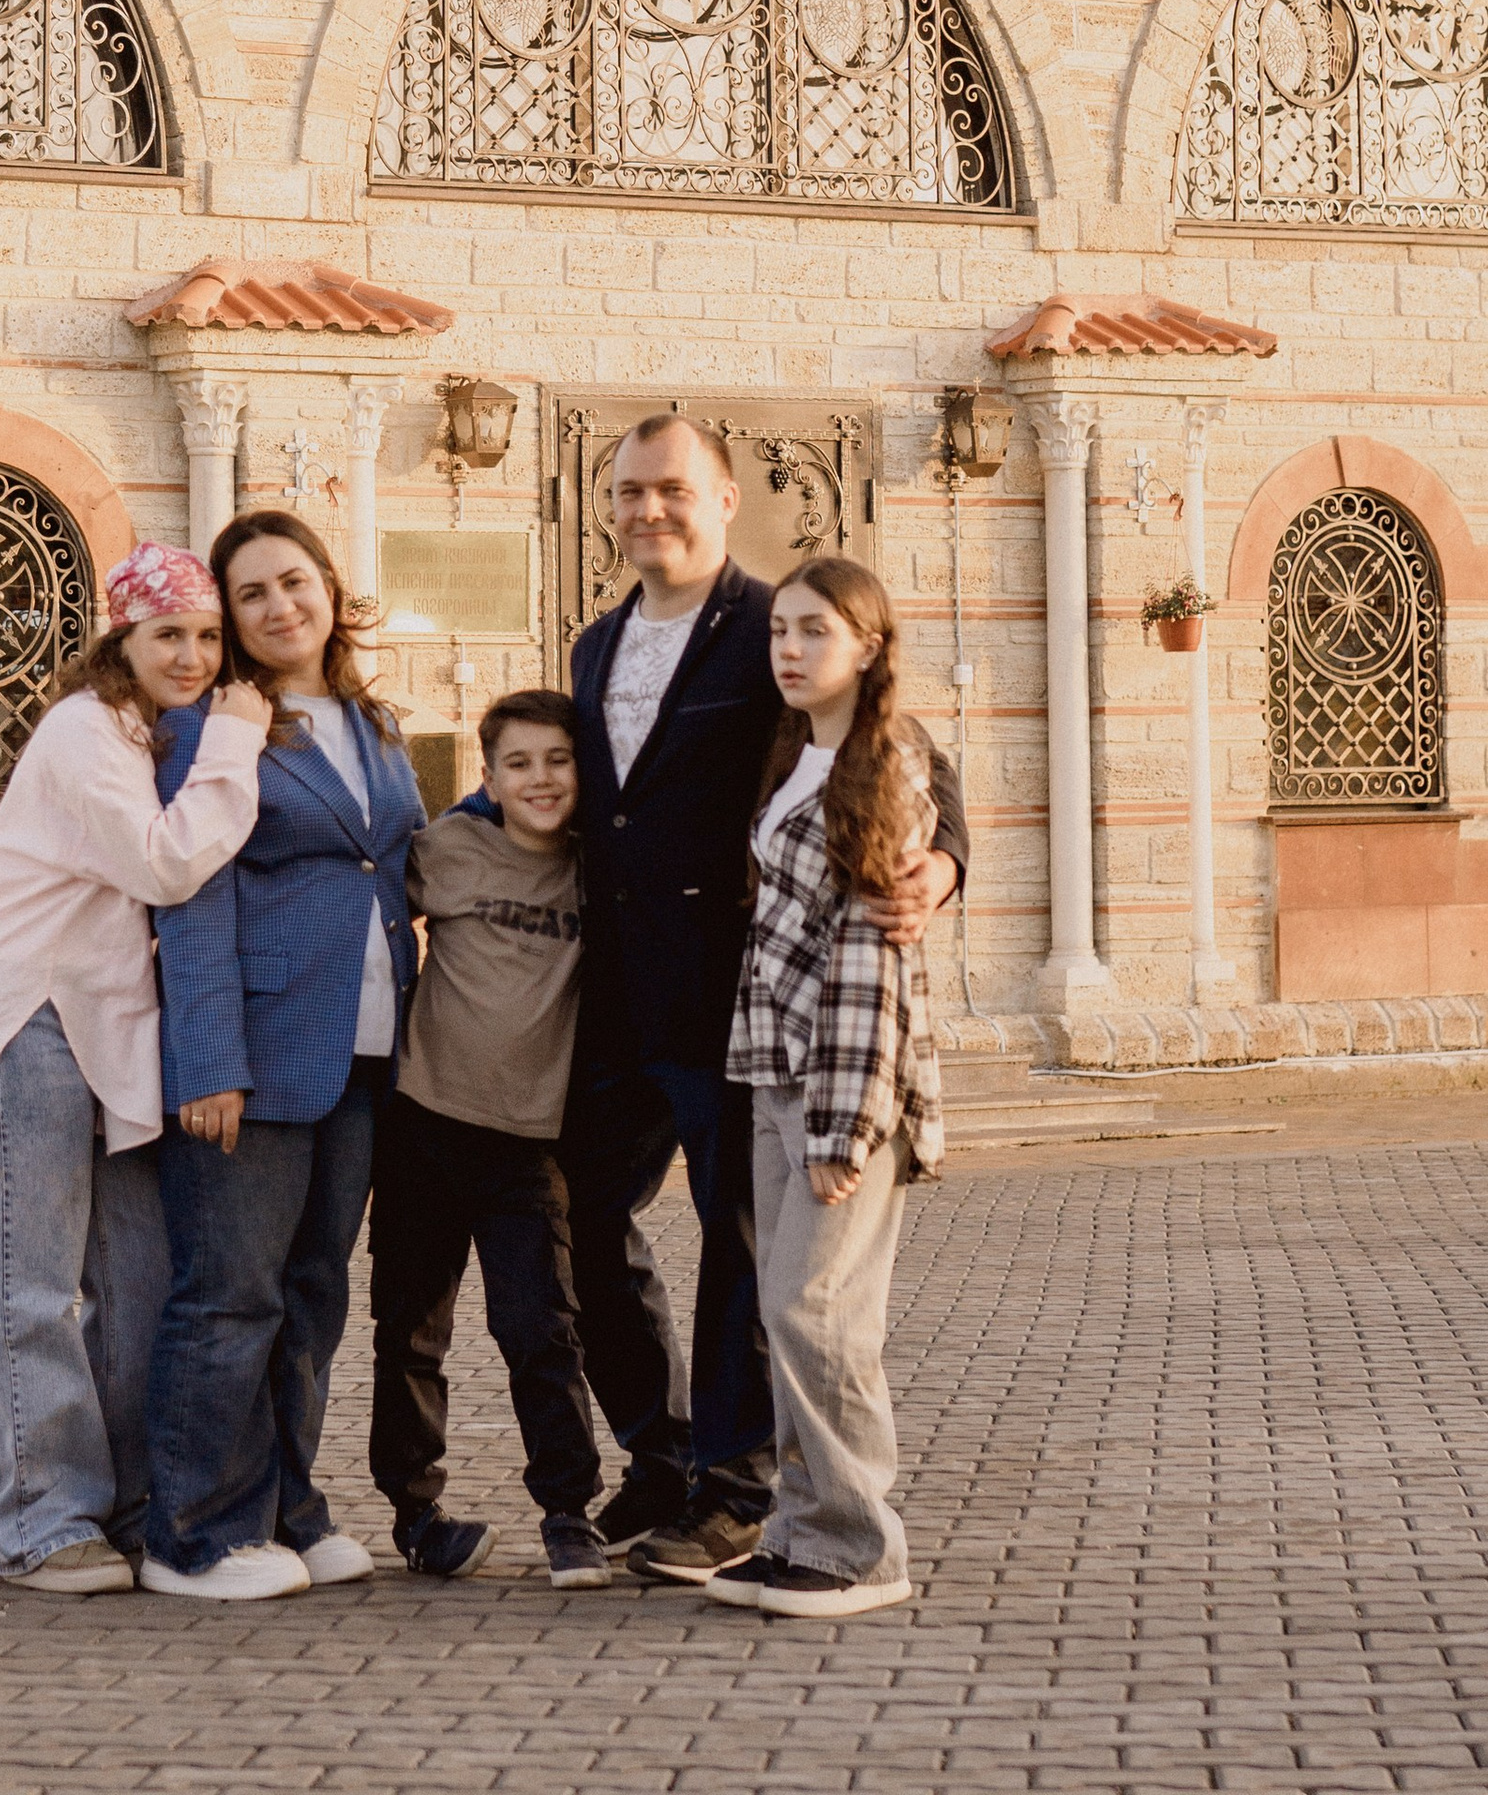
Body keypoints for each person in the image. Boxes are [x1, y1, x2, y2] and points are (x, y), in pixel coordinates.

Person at [557, 416, 965, 1585]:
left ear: (724, 499)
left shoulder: (767, 627)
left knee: (743, 1245)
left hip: (740, 1000)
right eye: (628, 492)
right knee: (585, 1212)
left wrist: (943, 868)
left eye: (672, 490)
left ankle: (739, 1490)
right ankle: (659, 1447)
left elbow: (906, 754)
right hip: (618, 992)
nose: (648, 511)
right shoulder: (592, 646)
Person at [0, 541, 269, 1593]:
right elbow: (161, 860)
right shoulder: (82, 731)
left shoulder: (144, 732)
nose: (195, 655)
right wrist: (236, 746)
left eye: (210, 636)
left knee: (138, 1283)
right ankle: (39, 1523)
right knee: (26, 1283)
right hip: (26, 1017)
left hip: (109, 1031)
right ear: (122, 635)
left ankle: (123, 1508)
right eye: (170, 634)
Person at [140, 509, 426, 1603]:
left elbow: (396, 862)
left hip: (362, 1052)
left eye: (293, 582)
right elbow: (192, 900)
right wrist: (206, 1060)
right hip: (251, 1058)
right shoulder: (209, 730)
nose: (277, 607)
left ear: (329, 589)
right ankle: (194, 1535)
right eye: (250, 592)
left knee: (312, 1295)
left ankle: (287, 1512)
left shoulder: (374, 723)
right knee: (227, 1297)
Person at [708, 555, 943, 1620]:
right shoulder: (793, 755)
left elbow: (871, 953)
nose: (790, 650)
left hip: (841, 1082)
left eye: (814, 631)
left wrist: (845, 1121)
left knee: (819, 1314)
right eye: (779, 632)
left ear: (869, 646)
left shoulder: (886, 763)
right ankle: (800, 1531)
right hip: (771, 1070)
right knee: (786, 1305)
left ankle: (860, 1548)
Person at [367, 688, 612, 1589]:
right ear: (489, 776)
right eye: (518, 764)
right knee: (409, 1331)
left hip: (526, 1145)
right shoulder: (446, 852)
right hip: (424, 1127)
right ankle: (416, 1512)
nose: (539, 780)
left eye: (558, 760)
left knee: (540, 1330)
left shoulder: (598, 868)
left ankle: (568, 1513)